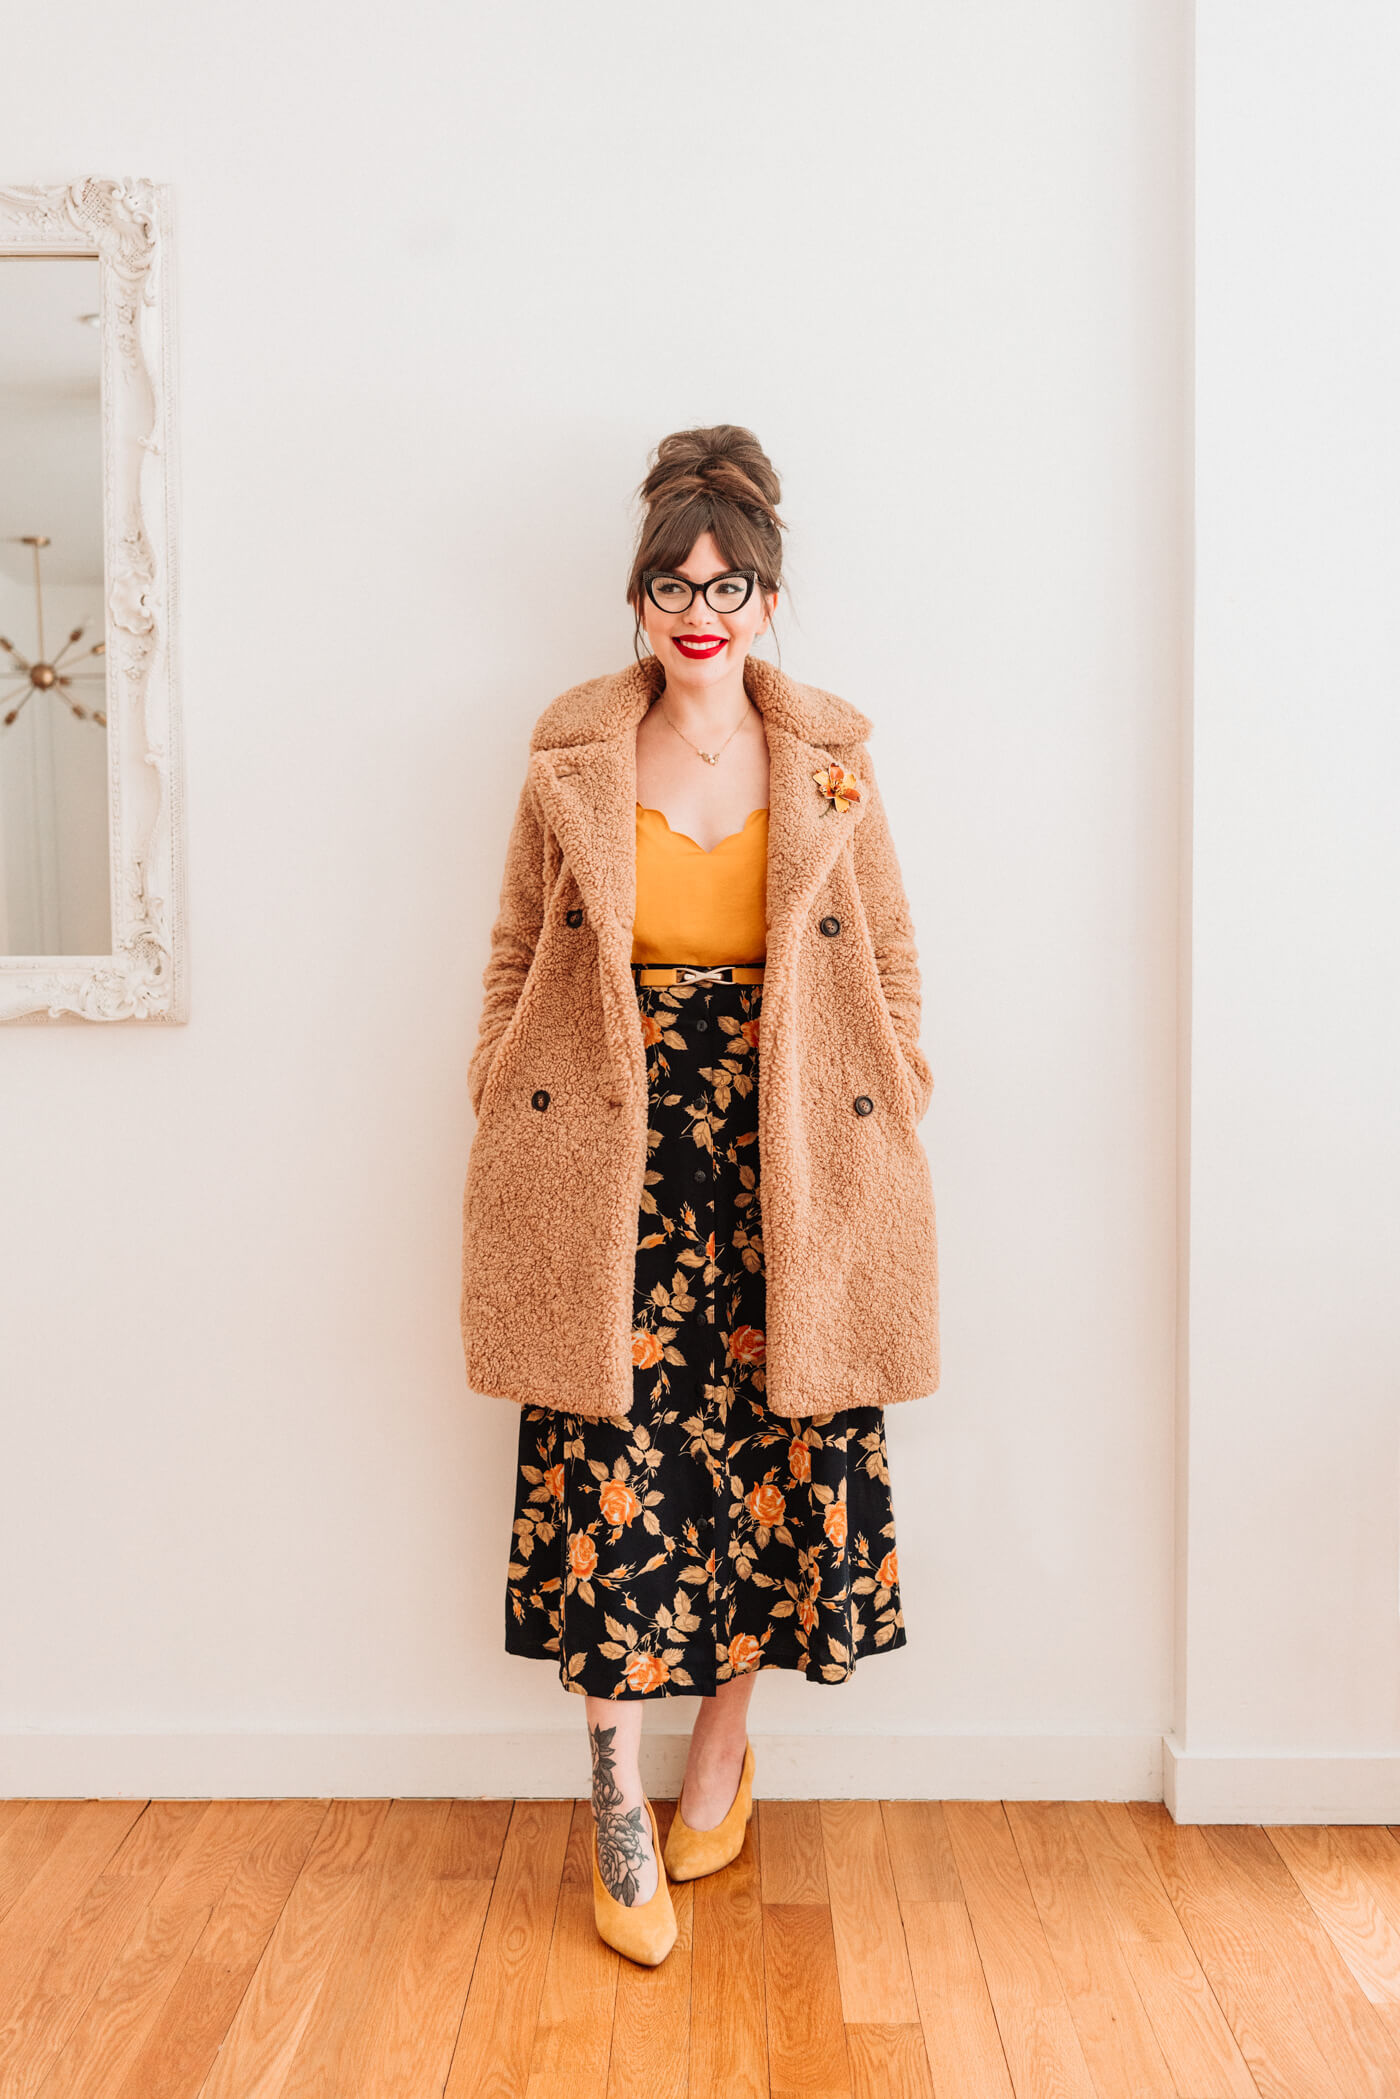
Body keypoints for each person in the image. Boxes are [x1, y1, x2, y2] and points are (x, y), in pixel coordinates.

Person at [459, 424, 940, 1966]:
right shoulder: (574, 752)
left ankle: (722, 1754)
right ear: (639, 597)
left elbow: (894, 957)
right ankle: (614, 1796)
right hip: (610, 1149)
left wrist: (899, 1084)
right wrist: (497, 1086)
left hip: (788, 1148)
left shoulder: (832, 759)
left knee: (771, 1454)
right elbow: (516, 951)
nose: (698, 607)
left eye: (728, 582)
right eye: (672, 580)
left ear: (771, 596)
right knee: (605, 1464)